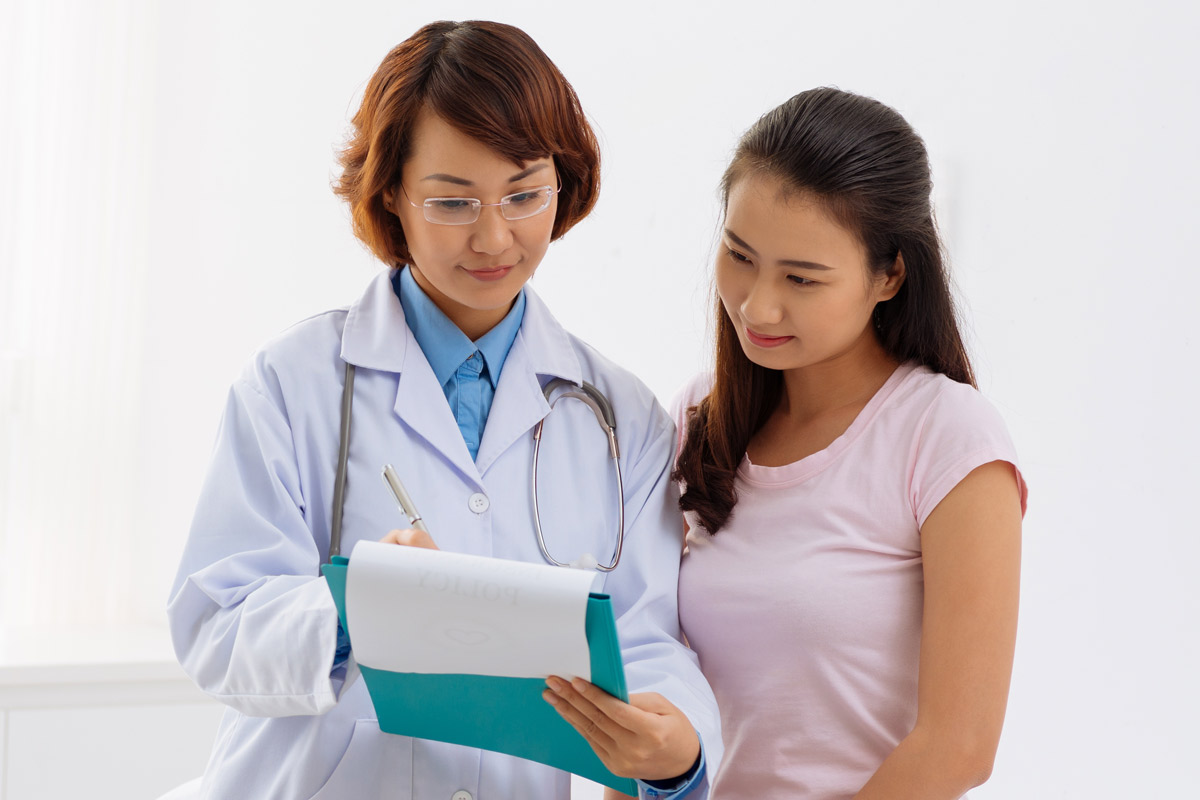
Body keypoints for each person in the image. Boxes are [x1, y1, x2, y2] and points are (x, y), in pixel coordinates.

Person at [167, 21, 719, 800]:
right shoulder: (291, 385)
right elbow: (215, 626)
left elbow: (647, 636)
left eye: (525, 194)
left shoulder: (621, 415)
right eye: (454, 201)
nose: (496, 236)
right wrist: (355, 606)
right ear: (392, 191)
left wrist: (677, 750)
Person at [670, 88, 1028, 799]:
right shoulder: (700, 416)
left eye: (802, 278)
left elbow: (958, 747)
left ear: (890, 273)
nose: (756, 305)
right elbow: (653, 689)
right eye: (740, 256)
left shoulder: (947, 435)